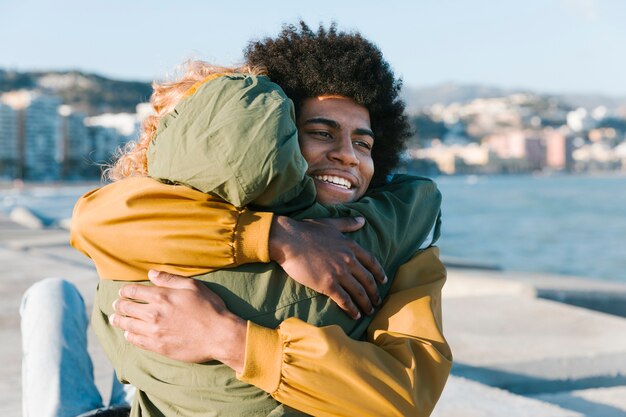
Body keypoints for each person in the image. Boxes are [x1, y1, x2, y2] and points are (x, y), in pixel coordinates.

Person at [62, 22, 449, 417]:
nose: (348, 155)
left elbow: (406, 395)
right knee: (55, 312)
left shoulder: (402, 243)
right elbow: (94, 219)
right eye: (321, 133)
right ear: (277, 137)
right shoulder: (202, 205)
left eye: (363, 143)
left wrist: (228, 338)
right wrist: (278, 238)